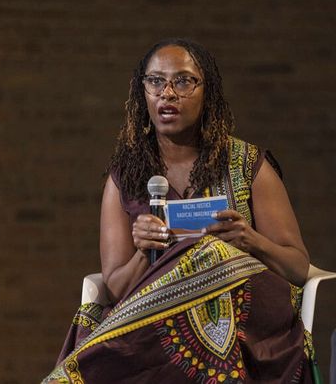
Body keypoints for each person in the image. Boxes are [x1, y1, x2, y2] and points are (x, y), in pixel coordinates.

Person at [42, 38, 316, 383]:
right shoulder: (125, 176)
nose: (167, 93)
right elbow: (114, 289)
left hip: (247, 323)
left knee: (212, 252)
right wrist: (144, 252)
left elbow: (297, 267)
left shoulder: (248, 165)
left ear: (207, 92)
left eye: (183, 81)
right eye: (155, 81)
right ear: (143, 92)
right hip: (157, 330)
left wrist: (250, 241)